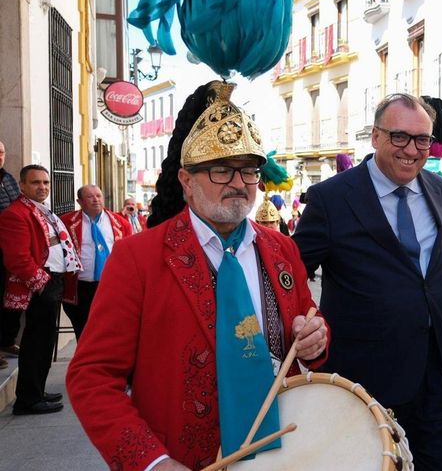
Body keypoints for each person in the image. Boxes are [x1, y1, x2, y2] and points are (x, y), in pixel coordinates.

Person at [66, 81, 329, 470]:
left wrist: (316, 339)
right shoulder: (137, 258)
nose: (239, 183)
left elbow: (309, 321)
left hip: (283, 455)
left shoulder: (282, 250)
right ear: (187, 182)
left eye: (249, 171)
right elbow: (91, 377)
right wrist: (152, 462)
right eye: (222, 170)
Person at [293, 93, 442, 471]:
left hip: (438, 374)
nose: (412, 150)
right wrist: (303, 322)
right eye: (400, 137)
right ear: (376, 137)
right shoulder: (330, 198)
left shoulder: (441, 189)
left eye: (422, 140)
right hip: (364, 379)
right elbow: (292, 273)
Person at [0, 165, 81, 415]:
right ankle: (28, 399)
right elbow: (17, 258)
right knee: (36, 342)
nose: (42, 187)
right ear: (22, 185)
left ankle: (36, 391)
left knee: (45, 342)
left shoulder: (38, 209)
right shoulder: (15, 214)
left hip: (50, 282)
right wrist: (42, 283)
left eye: (46, 182)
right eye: (36, 183)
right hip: (38, 285)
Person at [60, 185, 133, 340]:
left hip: (111, 286)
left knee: (110, 332)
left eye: (99, 196)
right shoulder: (66, 222)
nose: (96, 200)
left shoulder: (121, 223)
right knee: (84, 333)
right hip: (80, 288)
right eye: (90, 197)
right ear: (79, 201)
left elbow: (129, 256)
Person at [0, 140, 22, 369]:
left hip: (9, 246)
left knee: (11, 297)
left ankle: (7, 340)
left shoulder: (8, 179)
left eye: (2, 152)